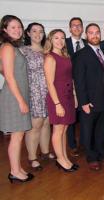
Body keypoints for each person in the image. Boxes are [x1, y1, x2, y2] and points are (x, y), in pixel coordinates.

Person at [73, 23, 104, 171]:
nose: (95, 35)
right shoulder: (80, 55)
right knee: (88, 130)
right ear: (86, 35)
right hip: (89, 101)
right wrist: (83, 102)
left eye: (97, 33)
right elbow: (79, 80)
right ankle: (91, 157)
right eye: (91, 33)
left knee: (103, 130)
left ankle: (102, 153)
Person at [0, 15, 34, 183]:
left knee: (18, 135)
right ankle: (14, 171)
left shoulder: (14, 47)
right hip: (14, 97)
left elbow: (4, 70)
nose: (17, 30)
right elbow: (10, 77)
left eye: (19, 26)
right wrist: (21, 101)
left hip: (18, 94)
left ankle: (18, 168)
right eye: (12, 27)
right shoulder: (7, 47)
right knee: (17, 136)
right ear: (4, 29)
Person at [20, 22, 55, 171]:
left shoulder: (47, 51)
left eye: (40, 31)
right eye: (34, 31)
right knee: (35, 125)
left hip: (48, 91)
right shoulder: (22, 51)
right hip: (33, 92)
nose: (37, 34)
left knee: (47, 123)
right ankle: (32, 157)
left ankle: (45, 152)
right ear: (27, 33)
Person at [44, 29, 77, 172]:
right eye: (56, 38)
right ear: (50, 40)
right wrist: (57, 104)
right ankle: (60, 159)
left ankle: (64, 157)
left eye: (62, 38)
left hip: (68, 95)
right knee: (58, 129)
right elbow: (49, 83)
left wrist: (75, 96)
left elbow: (70, 77)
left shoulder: (65, 55)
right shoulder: (50, 57)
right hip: (57, 97)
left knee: (64, 129)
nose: (60, 41)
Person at [65, 17, 87, 157]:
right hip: (67, 84)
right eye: (74, 25)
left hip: (84, 85)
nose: (77, 28)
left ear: (82, 28)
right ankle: (72, 145)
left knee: (85, 116)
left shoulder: (87, 43)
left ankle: (84, 143)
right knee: (71, 117)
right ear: (70, 28)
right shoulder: (63, 43)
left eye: (79, 25)